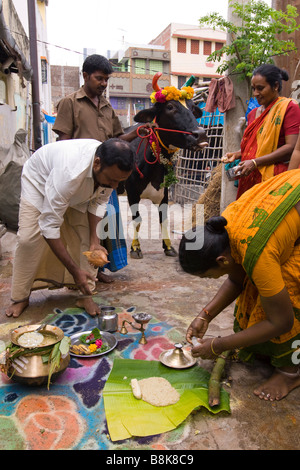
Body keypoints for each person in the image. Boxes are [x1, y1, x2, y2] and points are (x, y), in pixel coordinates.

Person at [179, 169, 300, 402]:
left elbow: (282, 321)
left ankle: (290, 372)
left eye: (207, 277)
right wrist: (205, 316)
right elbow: (237, 277)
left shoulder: (258, 252)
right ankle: (271, 348)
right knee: (261, 283)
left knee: (286, 286)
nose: (210, 280)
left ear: (221, 260)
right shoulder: (226, 229)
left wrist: (219, 345)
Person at [5, 138, 134, 319]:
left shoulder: (109, 169)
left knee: (85, 236)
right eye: (112, 180)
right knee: (28, 239)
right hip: (39, 182)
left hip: (77, 188)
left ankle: (85, 295)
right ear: (97, 163)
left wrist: (94, 241)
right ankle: (20, 297)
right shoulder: (69, 173)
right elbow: (49, 227)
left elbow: (98, 203)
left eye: (119, 181)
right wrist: (75, 271)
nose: (115, 186)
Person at [52, 54, 142, 283]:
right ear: (85, 76)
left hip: (106, 176)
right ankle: (77, 274)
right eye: (99, 79)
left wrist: (137, 132)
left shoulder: (107, 107)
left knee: (103, 225)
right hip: (82, 176)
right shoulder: (70, 103)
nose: (103, 84)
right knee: (79, 228)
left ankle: (97, 269)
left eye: (106, 80)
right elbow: (63, 143)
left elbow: (118, 138)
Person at [223, 64, 300, 198]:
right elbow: (258, 146)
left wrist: (255, 162)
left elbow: (291, 147)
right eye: (253, 89)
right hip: (250, 177)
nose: (255, 93)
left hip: (274, 177)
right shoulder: (253, 114)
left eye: (260, 88)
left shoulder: (288, 108)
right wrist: (237, 154)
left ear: (275, 86)